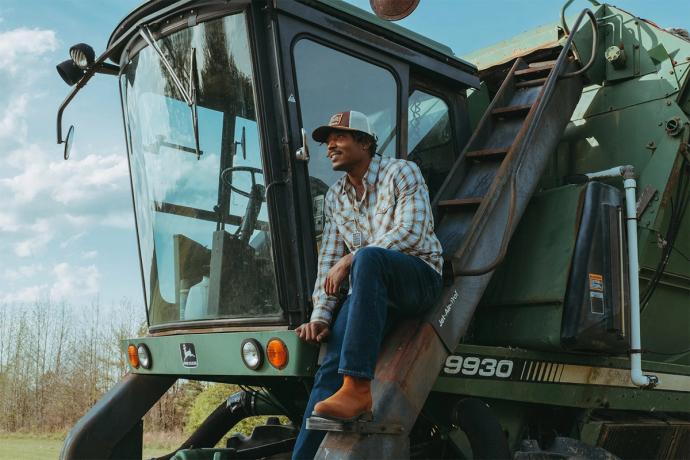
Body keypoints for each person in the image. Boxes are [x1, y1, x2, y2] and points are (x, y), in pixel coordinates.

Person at [292, 110, 443, 459]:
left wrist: (353, 258)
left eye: (339, 137)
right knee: (328, 370)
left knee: (368, 259)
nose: (330, 145)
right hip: (370, 291)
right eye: (327, 140)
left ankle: (358, 389)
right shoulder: (335, 197)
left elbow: (412, 232)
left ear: (364, 142)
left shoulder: (401, 172)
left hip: (417, 277)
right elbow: (328, 261)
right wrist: (320, 317)